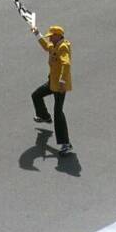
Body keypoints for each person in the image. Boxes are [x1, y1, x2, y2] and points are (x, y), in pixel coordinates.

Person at [29, 24, 73, 156]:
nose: (50, 39)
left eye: (51, 36)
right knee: (36, 95)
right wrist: (37, 33)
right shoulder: (54, 45)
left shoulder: (63, 47)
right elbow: (46, 46)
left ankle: (66, 144)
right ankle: (44, 116)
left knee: (58, 113)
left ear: (58, 36)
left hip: (60, 86)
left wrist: (62, 79)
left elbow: (66, 63)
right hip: (52, 82)